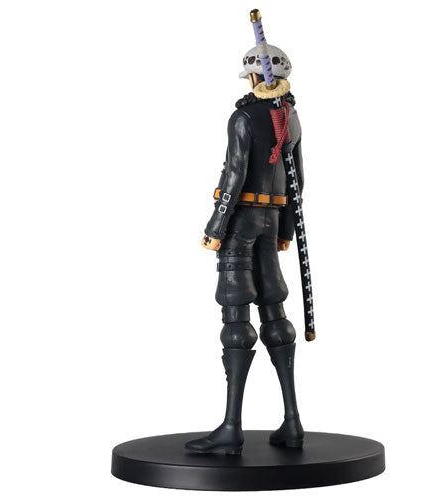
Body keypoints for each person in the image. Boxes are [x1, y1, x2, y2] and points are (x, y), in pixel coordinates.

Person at [184, 45, 305, 455]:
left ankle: (231, 428)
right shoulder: (291, 118)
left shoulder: (244, 117)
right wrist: (285, 229)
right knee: (274, 310)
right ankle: (292, 422)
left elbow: (235, 175)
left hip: (241, 223)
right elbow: (297, 181)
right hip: (271, 222)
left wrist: (216, 226)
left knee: (236, 317)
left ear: (255, 78)